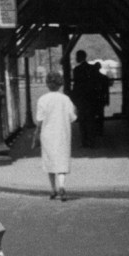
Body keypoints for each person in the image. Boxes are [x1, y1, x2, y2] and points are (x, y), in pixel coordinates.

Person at [32, 70, 77, 201]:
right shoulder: (66, 99)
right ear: (60, 84)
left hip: (47, 133)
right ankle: (62, 185)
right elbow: (72, 117)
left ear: (47, 84)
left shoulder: (42, 99)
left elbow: (39, 120)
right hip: (62, 132)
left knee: (49, 161)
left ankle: (53, 189)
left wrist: (37, 133)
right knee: (62, 159)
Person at [71, 50, 104, 148]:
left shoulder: (76, 70)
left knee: (82, 121)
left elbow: (76, 86)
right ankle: (91, 141)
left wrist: (74, 98)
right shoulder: (92, 68)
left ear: (79, 57)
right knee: (91, 120)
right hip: (92, 98)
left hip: (81, 98)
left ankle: (84, 142)